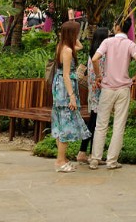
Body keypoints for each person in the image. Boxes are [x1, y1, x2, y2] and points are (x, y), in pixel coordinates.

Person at [88, 18, 136, 170]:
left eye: (114, 24)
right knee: (119, 125)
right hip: (123, 89)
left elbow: (95, 59)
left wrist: (99, 75)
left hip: (107, 88)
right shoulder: (131, 44)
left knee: (101, 125)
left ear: (118, 26)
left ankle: (95, 159)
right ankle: (111, 161)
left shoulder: (107, 42)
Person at [49, 20, 90, 173]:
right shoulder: (66, 50)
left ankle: (62, 158)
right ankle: (60, 161)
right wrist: (72, 96)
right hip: (65, 89)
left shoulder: (63, 46)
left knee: (61, 123)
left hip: (61, 87)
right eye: (77, 32)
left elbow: (80, 46)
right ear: (72, 34)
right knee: (66, 124)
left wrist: (71, 32)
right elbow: (66, 75)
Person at [78, 26, 111, 165]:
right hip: (99, 90)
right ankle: (90, 154)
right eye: (109, 36)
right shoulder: (101, 54)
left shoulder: (93, 52)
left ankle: (85, 152)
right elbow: (102, 72)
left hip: (93, 91)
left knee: (93, 121)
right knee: (96, 123)